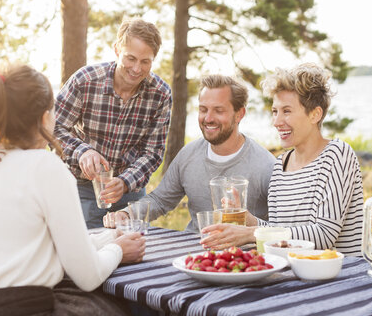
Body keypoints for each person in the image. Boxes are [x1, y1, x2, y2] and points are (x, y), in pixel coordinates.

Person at [0, 65, 145, 315]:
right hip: (10, 308)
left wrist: (109, 238)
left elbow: (31, 247)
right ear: (43, 118)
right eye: (53, 112)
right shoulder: (45, 166)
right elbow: (88, 276)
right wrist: (118, 250)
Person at [201, 63, 364, 256]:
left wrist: (250, 233)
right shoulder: (280, 165)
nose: (277, 122)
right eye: (274, 111)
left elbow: (324, 235)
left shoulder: (337, 154)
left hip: (341, 278)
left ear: (315, 114)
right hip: (296, 274)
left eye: (286, 111)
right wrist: (248, 220)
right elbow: (278, 233)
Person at [104, 74, 276, 232]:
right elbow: (160, 200)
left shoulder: (266, 166)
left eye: (218, 110)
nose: (208, 118)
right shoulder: (188, 155)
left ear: (239, 114)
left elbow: (281, 229)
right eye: (203, 109)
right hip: (192, 253)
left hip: (243, 259)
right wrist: (127, 214)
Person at [54, 18, 172, 228]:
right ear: (117, 50)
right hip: (80, 190)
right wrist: (82, 151)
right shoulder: (85, 81)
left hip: (129, 197)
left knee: (134, 257)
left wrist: (125, 182)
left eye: (145, 61)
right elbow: (54, 127)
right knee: (83, 256)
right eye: (131, 58)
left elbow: (153, 152)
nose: (137, 69)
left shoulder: (161, 94)